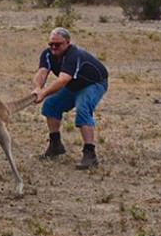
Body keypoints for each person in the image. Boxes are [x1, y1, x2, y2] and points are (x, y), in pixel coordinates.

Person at [32, 27, 108, 170]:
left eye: (58, 44)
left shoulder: (74, 55)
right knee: (51, 105)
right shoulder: (48, 54)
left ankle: (90, 153)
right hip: (74, 85)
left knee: (83, 109)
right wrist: (37, 88)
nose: (53, 47)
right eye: (51, 44)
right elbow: (42, 72)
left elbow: (62, 80)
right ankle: (55, 145)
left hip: (93, 83)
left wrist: (43, 93)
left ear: (67, 43)